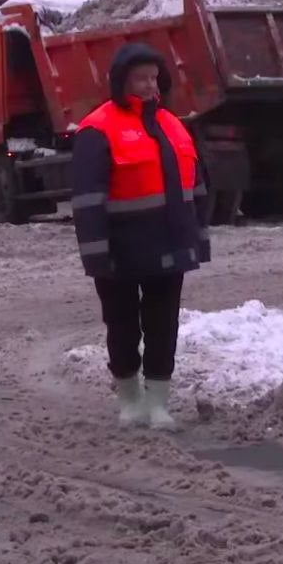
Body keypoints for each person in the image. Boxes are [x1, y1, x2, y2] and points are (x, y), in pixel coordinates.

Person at [71, 44, 210, 430]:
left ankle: (159, 404)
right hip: (122, 251)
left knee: (164, 324)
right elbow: (87, 199)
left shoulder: (173, 124)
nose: (149, 85)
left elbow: (196, 186)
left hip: (170, 245)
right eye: (139, 79)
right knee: (122, 324)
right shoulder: (97, 128)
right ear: (121, 82)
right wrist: (96, 255)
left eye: (153, 77)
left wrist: (199, 237)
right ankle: (130, 400)